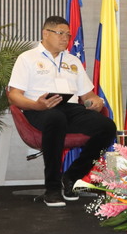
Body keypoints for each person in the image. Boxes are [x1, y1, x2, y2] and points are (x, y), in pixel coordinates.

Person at [7, 15, 116, 208]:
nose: (66, 38)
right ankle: (52, 187)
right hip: (39, 109)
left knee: (107, 126)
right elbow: (14, 95)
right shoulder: (27, 58)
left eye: (68, 34)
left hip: (71, 108)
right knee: (55, 118)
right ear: (45, 33)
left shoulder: (73, 61)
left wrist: (95, 102)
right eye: (60, 33)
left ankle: (72, 176)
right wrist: (37, 105)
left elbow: (88, 95)